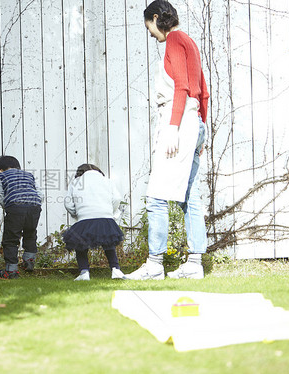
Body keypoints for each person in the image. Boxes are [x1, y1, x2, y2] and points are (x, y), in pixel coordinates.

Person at [125, 0, 209, 280]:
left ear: (156, 17)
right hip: (193, 122)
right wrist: (201, 129)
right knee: (190, 195)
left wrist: (173, 128)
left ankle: (154, 264)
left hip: (179, 122)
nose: (150, 33)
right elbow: (203, 92)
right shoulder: (191, 42)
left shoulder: (173, 40)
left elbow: (182, 87)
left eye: (149, 25)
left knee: (156, 197)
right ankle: (195, 264)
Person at [62, 164, 125, 281]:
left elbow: (68, 203)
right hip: (106, 218)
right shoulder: (107, 181)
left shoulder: (75, 182)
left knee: (80, 244)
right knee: (109, 243)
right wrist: (110, 211)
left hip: (84, 218)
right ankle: (116, 269)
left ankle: (84, 272)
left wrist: (76, 213)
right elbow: (116, 198)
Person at [0, 155, 43, 279]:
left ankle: (11, 271)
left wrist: (8, 206)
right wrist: (35, 204)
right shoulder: (28, 175)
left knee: (11, 239)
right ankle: (29, 260)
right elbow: (39, 193)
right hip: (34, 206)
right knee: (30, 233)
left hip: (15, 207)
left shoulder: (1, 176)